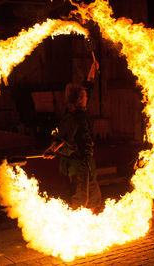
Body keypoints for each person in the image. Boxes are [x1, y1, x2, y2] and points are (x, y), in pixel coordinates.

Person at [43, 83, 101, 212]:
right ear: (79, 99)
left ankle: (90, 225)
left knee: (93, 197)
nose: (87, 98)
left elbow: (89, 88)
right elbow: (60, 138)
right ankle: (77, 227)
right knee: (81, 198)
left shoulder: (82, 114)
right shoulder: (71, 118)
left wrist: (92, 71)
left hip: (87, 162)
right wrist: (52, 150)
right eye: (85, 96)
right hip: (77, 164)